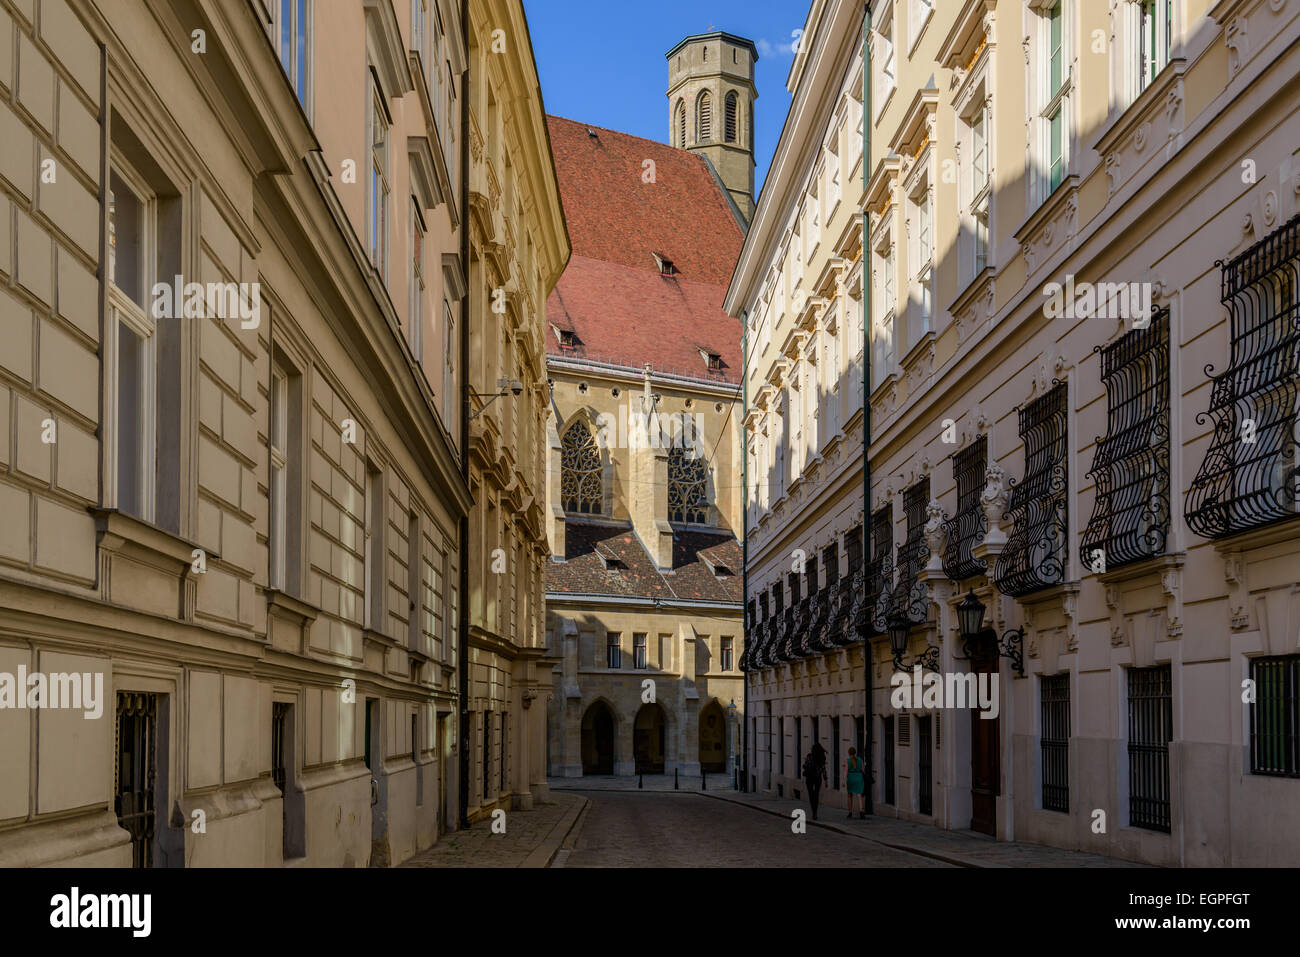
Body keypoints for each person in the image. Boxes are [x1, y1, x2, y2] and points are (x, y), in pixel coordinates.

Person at [802, 741, 828, 821]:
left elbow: (806, 766)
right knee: (816, 795)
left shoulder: (809, 757)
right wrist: (825, 779)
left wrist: (805, 763)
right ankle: (815, 813)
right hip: (818, 778)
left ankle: (813, 811)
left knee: (811, 795)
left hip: (809, 778)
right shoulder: (822, 758)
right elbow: (823, 769)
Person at [845, 746, 867, 819]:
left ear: (849, 753)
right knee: (859, 795)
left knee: (849, 795)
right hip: (859, 778)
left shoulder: (847, 760)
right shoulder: (860, 760)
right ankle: (861, 811)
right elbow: (863, 770)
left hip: (851, 778)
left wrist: (844, 781)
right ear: (855, 752)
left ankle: (850, 812)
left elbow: (846, 771)